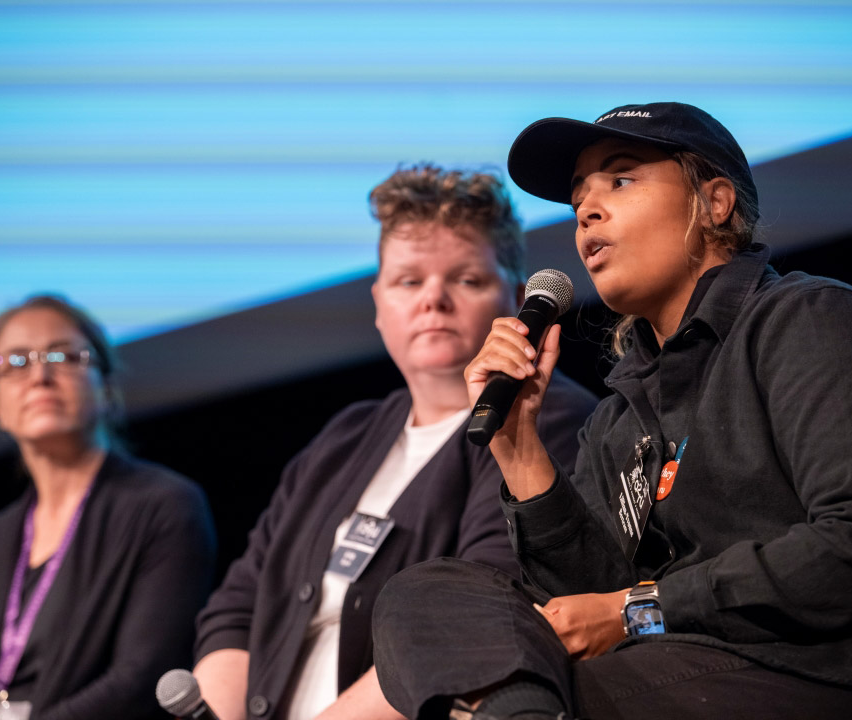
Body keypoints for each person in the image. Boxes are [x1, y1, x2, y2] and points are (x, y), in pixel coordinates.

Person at [371, 103, 852, 720]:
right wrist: (519, 447)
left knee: (568, 695)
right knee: (426, 594)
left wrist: (638, 609)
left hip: (831, 675)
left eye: (620, 179)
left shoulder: (812, 320)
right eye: (577, 198)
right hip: (674, 675)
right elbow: (588, 601)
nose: (586, 210)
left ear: (714, 203)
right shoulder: (620, 415)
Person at [192, 164, 600, 720]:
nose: (434, 300)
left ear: (519, 299)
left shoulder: (547, 419)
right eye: (410, 281)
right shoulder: (345, 436)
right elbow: (237, 609)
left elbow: (472, 624)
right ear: (379, 303)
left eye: (466, 279)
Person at [0, 295, 217, 720]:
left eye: (63, 356)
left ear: (105, 386)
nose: (40, 375)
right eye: (15, 363)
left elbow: (141, 680)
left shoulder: (164, 506)